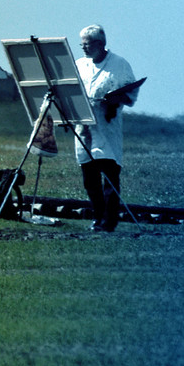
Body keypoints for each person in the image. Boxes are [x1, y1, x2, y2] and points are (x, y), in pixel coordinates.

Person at [74, 25, 138, 232]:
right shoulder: (79, 65)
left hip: (106, 125)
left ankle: (110, 220)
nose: (83, 48)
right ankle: (97, 215)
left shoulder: (119, 65)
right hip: (84, 126)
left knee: (109, 173)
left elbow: (130, 95)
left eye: (87, 44)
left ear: (100, 44)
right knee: (89, 176)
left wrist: (112, 100)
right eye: (81, 44)